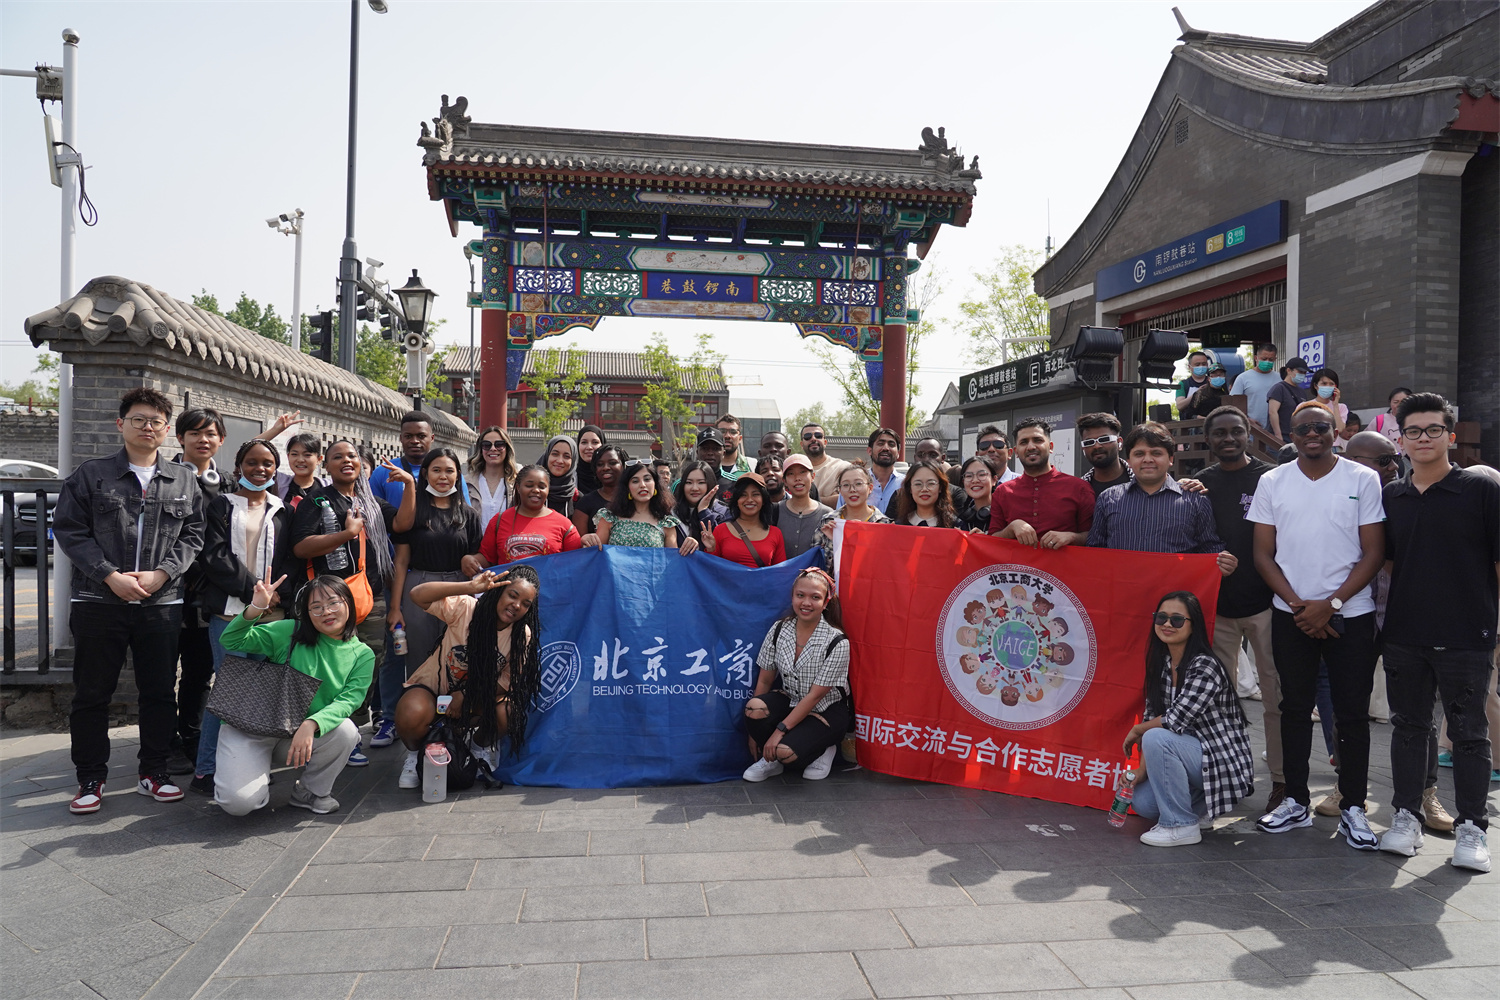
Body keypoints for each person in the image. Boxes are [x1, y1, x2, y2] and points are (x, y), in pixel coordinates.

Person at [57, 388, 206, 815]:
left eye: (156, 422)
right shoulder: (91, 474)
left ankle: (154, 772)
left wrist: (163, 574)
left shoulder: (183, 479)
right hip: (98, 600)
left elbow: (194, 534)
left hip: (161, 603)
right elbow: (69, 530)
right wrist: (109, 575)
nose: (147, 427)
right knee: (92, 693)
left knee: (159, 691)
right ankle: (90, 778)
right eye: (139, 419)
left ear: (166, 430)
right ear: (120, 424)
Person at [1250, 399, 1386, 849]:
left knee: (1352, 713)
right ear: (1291, 435)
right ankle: (1296, 801)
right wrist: (1300, 607)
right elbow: (1263, 555)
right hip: (1291, 614)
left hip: (1351, 613)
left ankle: (1353, 807)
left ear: (1336, 432)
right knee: (1293, 708)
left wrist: (1332, 603)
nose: (1313, 434)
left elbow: (1373, 552)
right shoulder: (1273, 481)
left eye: (1321, 427)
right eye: (1304, 428)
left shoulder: (1362, 478)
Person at [1376, 394, 1496, 873]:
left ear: (1451, 435)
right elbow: (1387, 562)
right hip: (1405, 633)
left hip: (1467, 633)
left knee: (1469, 733)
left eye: (1433, 429)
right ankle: (1405, 817)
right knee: (1409, 727)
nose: (1423, 438)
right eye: (1413, 431)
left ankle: (1473, 829)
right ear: (1400, 440)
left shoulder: (1480, 489)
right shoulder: (1393, 496)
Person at [290, 440, 416, 754]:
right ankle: (333, 734)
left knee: (367, 665)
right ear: (326, 464)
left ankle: (352, 732)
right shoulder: (316, 500)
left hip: (369, 595)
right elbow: (301, 547)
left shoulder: (369, 501)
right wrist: (345, 534)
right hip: (329, 600)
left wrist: (410, 485)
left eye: (352, 456)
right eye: (338, 457)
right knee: (334, 667)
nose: (347, 461)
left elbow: (402, 524)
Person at [213, 574, 371, 816]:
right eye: (316, 607)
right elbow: (231, 640)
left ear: (348, 603)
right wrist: (256, 607)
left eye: (333, 603)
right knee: (238, 804)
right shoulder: (289, 632)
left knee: (346, 731)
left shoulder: (362, 654)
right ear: (306, 613)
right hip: (249, 727)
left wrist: (311, 723)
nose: (326, 612)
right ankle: (246, 769)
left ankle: (309, 792)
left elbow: (349, 700)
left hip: (295, 735)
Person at [190, 439, 296, 795]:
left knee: (263, 694)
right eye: (252, 462)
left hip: (272, 617)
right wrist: (255, 591)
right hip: (230, 614)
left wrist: (277, 594)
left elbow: (290, 558)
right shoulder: (221, 505)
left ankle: (252, 765)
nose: (260, 469)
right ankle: (207, 769)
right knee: (229, 693)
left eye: (267, 463)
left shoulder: (282, 510)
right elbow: (214, 557)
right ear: (239, 466)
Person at [1195, 406, 1284, 811]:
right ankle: (1227, 775)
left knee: (1276, 698)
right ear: (1208, 439)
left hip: (1267, 604)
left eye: (1236, 431)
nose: (1228, 439)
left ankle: (1281, 780)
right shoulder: (1201, 484)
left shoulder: (1271, 478)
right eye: (1220, 433)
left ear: (1248, 434)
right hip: (1218, 608)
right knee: (1218, 700)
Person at [1121, 591, 1254, 846]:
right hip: (1192, 757)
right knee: (1143, 803)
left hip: (1220, 762)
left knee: (1156, 735)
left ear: (1193, 626)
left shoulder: (1205, 665)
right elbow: (1153, 716)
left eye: (1177, 620)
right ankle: (1201, 809)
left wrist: (1138, 729)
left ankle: (1180, 825)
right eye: (1161, 618)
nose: (1167, 624)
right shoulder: (1162, 664)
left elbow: (1175, 720)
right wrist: (1141, 771)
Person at [395, 567, 541, 787]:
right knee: (411, 711)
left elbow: (507, 682)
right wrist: (470, 586)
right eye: (513, 595)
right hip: (434, 691)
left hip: (475, 700)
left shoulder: (522, 634)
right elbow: (417, 595)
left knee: (509, 711)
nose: (517, 605)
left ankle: (478, 747)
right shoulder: (466, 608)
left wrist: (467, 695)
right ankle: (416, 755)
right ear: (498, 591)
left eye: (526, 604)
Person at [742, 568, 850, 782]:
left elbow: (815, 696)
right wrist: (753, 733)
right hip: (791, 700)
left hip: (826, 709)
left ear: (826, 602)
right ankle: (771, 760)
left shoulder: (837, 641)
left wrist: (778, 732)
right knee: (754, 708)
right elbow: (765, 679)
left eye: (815, 597)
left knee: (786, 753)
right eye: (800, 595)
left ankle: (823, 749)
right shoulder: (779, 629)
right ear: (792, 597)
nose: (806, 603)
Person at [1087, 423, 1235, 576]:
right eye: (1139, 454)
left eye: (1156, 453)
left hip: (1175, 589)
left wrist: (1222, 562)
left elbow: (1209, 547)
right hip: (1123, 588)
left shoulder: (1195, 499)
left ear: (1171, 459)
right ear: (1129, 460)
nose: (1148, 459)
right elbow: (1095, 551)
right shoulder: (1108, 498)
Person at [169, 408, 229, 776]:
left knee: (198, 672)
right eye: (194, 433)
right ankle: (165, 744)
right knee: (161, 675)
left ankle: (192, 738)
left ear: (221, 440)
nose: (203, 440)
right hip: (167, 591)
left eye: (210, 434)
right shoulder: (164, 478)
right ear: (180, 438)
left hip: (208, 597)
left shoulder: (225, 484)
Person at [390, 447, 485, 671]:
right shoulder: (412, 512)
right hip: (419, 588)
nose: (443, 476)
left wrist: (471, 559)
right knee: (420, 660)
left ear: (458, 475)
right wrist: (395, 607)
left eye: (449, 471)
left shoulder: (468, 515)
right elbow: (401, 562)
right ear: (425, 473)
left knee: (458, 658)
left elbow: (480, 555)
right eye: (436, 470)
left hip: (458, 587)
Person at [988, 418, 1094, 549]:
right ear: (1016, 452)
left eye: (1037, 440)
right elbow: (990, 542)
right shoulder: (1002, 492)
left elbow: (1093, 537)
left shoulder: (1079, 488)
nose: (1031, 447)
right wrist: (1011, 528)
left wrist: (1071, 537)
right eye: (1024, 442)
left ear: (1051, 447)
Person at [478, 465, 583, 564]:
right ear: (518, 487)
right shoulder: (499, 521)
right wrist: (472, 561)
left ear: (548, 490)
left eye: (542, 487)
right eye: (529, 485)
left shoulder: (564, 525)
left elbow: (576, 563)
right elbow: (486, 560)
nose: (536, 490)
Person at [583, 459, 689, 551]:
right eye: (635, 481)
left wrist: (690, 545)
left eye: (647, 479)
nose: (642, 485)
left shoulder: (666, 523)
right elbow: (595, 554)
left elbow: (672, 561)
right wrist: (585, 541)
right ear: (627, 488)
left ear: (655, 485)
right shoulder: (609, 518)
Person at [704, 474, 785, 567]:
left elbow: (780, 571)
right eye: (743, 495)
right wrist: (710, 549)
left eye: (755, 494)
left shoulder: (775, 533)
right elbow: (711, 569)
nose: (749, 499)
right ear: (737, 500)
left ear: (763, 500)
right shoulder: (721, 530)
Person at [777, 455, 835, 560]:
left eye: (802, 472)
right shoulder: (775, 510)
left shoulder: (827, 514)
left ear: (812, 476)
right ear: (784, 481)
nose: (797, 478)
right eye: (791, 474)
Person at [466, 426, 517, 531]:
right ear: (480, 450)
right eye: (486, 445)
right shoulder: (466, 483)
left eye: (499, 444)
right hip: (475, 540)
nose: (493, 448)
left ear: (507, 448)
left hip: (505, 539)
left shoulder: (517, 484)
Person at [571, 444, 626, 536]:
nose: (606, 468)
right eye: (600, 464)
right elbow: (579, 542)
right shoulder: (585, 503)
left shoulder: (635, 500)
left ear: (624, 465)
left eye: (612, 463)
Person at [846, 428, 904, 512]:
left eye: (891, 445)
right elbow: (841, 514)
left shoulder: (906, 484)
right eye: (880, 444)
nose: (886, 448)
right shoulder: (852, 482)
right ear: (870, 451)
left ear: (898, 453)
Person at [1077, 413, 1133, 497]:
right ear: (1083, 448)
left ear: (1119, 442)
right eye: (1089, 442)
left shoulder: (1141, 481)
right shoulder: (1077, 490)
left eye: (1104, 439)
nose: (1097, 446)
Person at [672, 460, 724, 550]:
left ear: (711, 484)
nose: (695, 488)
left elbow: (720, 547)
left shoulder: (723, 513)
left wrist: (703, 511)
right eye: (689, 482)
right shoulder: (671, 513)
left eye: (701, 482)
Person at [1231, 343, 1280, 431]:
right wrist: (1246, 419)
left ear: (1275, 359)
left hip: (1275, 430)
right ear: (1256, 358)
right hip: (1251, 430)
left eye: (1271, 359)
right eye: (1264, 359)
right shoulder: (1243, 378)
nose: (1267, 362)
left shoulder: (1279, 378)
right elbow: (1233, 403)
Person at [894, 460, 956, 528]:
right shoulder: (900, 525)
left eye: (931, 483)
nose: (924, 489)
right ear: (910, 488)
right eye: (918, 484)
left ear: (940, 487)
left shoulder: (954, 525)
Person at [800, 423, 851, 501]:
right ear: (801, 444)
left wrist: (806, 501)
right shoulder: (794, 470)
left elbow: (847, 498)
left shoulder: (843, 468)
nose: (813, 439)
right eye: (807, 437)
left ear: (825, 442)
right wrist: (830, 499)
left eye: (818, 436)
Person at [1265, 357, 1311, 444]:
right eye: (1300, 372)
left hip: (1297, 436)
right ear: (1289, 370)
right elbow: (1272, 412)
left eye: (1304, 373)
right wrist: (1278, 435)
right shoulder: (1279, 388)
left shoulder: (1302, 392)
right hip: (1281, 436)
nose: (1302, 375)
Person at [281, 433, 328, 507]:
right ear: (288, 456)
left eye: (307, 455)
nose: (300, 460)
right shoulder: (279, 485)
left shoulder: (328, 487)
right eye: (294, 454)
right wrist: (277, 429)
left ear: (319, 459)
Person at [536, 435, 579, 517]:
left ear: (573, 461)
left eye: (566, 456)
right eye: (555, 454)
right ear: (547, 456)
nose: (560, 461)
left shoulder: (576, 497)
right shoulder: (532, 492)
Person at [955, 456, 998, 533]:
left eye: (981, 475)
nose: (975, 480)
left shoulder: (1005, 515)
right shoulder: (960, 521)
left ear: (994, 480)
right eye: (969, 476)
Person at [1372, 386, 1413, 453]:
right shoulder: (1379, 420)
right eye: (1396, 402)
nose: (1399, 405)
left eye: (1403, 402)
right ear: (1390, 403)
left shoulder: (1418, 419)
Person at [717, 414, 752, 481]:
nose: (727, 436)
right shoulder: (707, 467)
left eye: (733, 432)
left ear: (740, 438)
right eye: (722, 431)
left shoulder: (751, 466)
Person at [575, 424, 606, 495]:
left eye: (595, 442)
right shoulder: (570, 479)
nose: (589, 447)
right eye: (584, 442)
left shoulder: (611, 478)